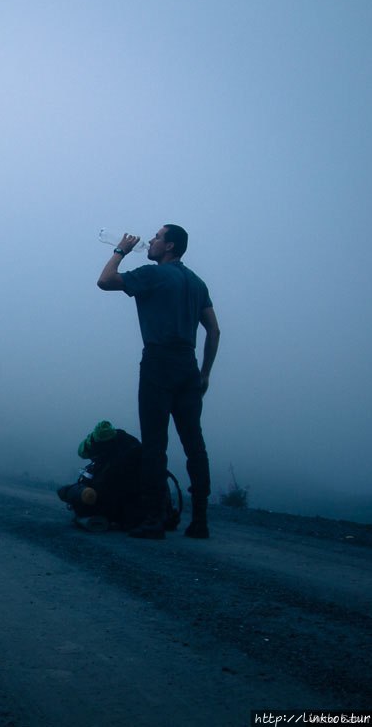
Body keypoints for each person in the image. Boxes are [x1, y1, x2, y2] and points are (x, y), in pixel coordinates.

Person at [97, 224, 221, 539]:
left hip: (158, 363)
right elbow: (214, 330)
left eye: (157, 237)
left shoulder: (152, 275)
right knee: (195, 444)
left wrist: (120, 249)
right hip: (188, 367)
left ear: (169, 247)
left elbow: (105, 280)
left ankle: (153, 519)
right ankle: (200, 521)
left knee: (155, 444)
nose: (150, 240)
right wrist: (205, 373)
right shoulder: (196, 282)